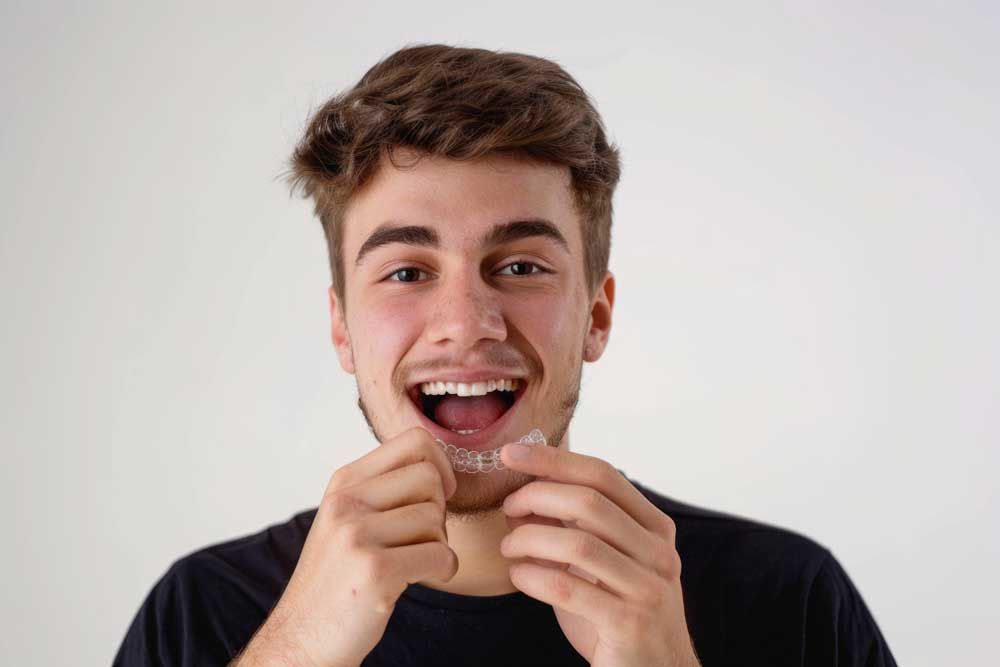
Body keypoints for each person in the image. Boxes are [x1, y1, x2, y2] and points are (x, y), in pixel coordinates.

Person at [113, 44, 897, 667]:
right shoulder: (202, 613)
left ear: (595, 314)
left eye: (521, 266)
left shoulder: (793, 601)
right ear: (343, 330)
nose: (466, 323)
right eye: (408, 272)